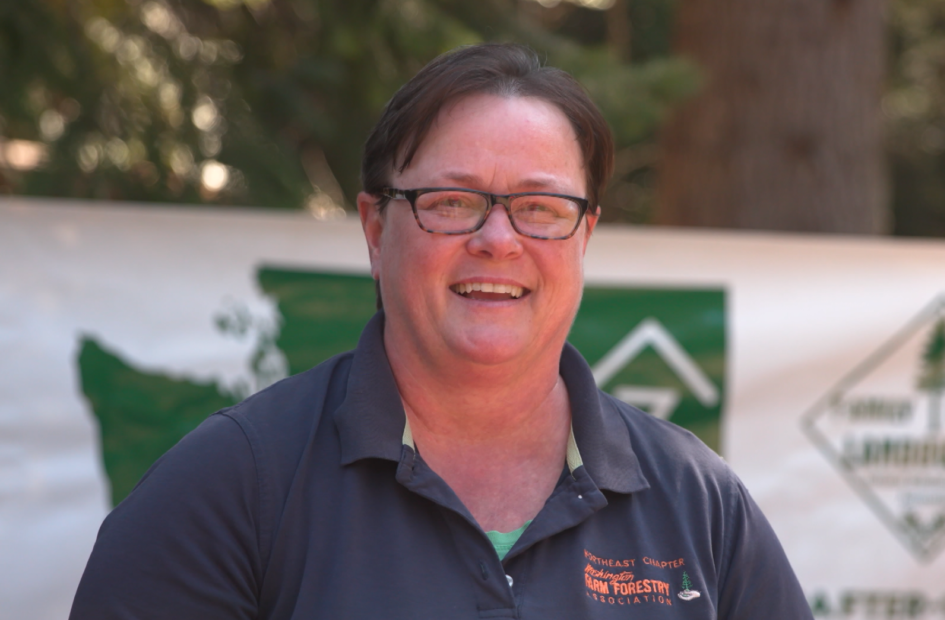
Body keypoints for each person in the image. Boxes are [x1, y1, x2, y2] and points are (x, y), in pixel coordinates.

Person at [70, 43, 813, 619]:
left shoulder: (700, 502)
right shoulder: (233, 486)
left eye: (541, 208)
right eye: (453, 202)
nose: (497, 239)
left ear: (584, 235)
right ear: (373, 228)